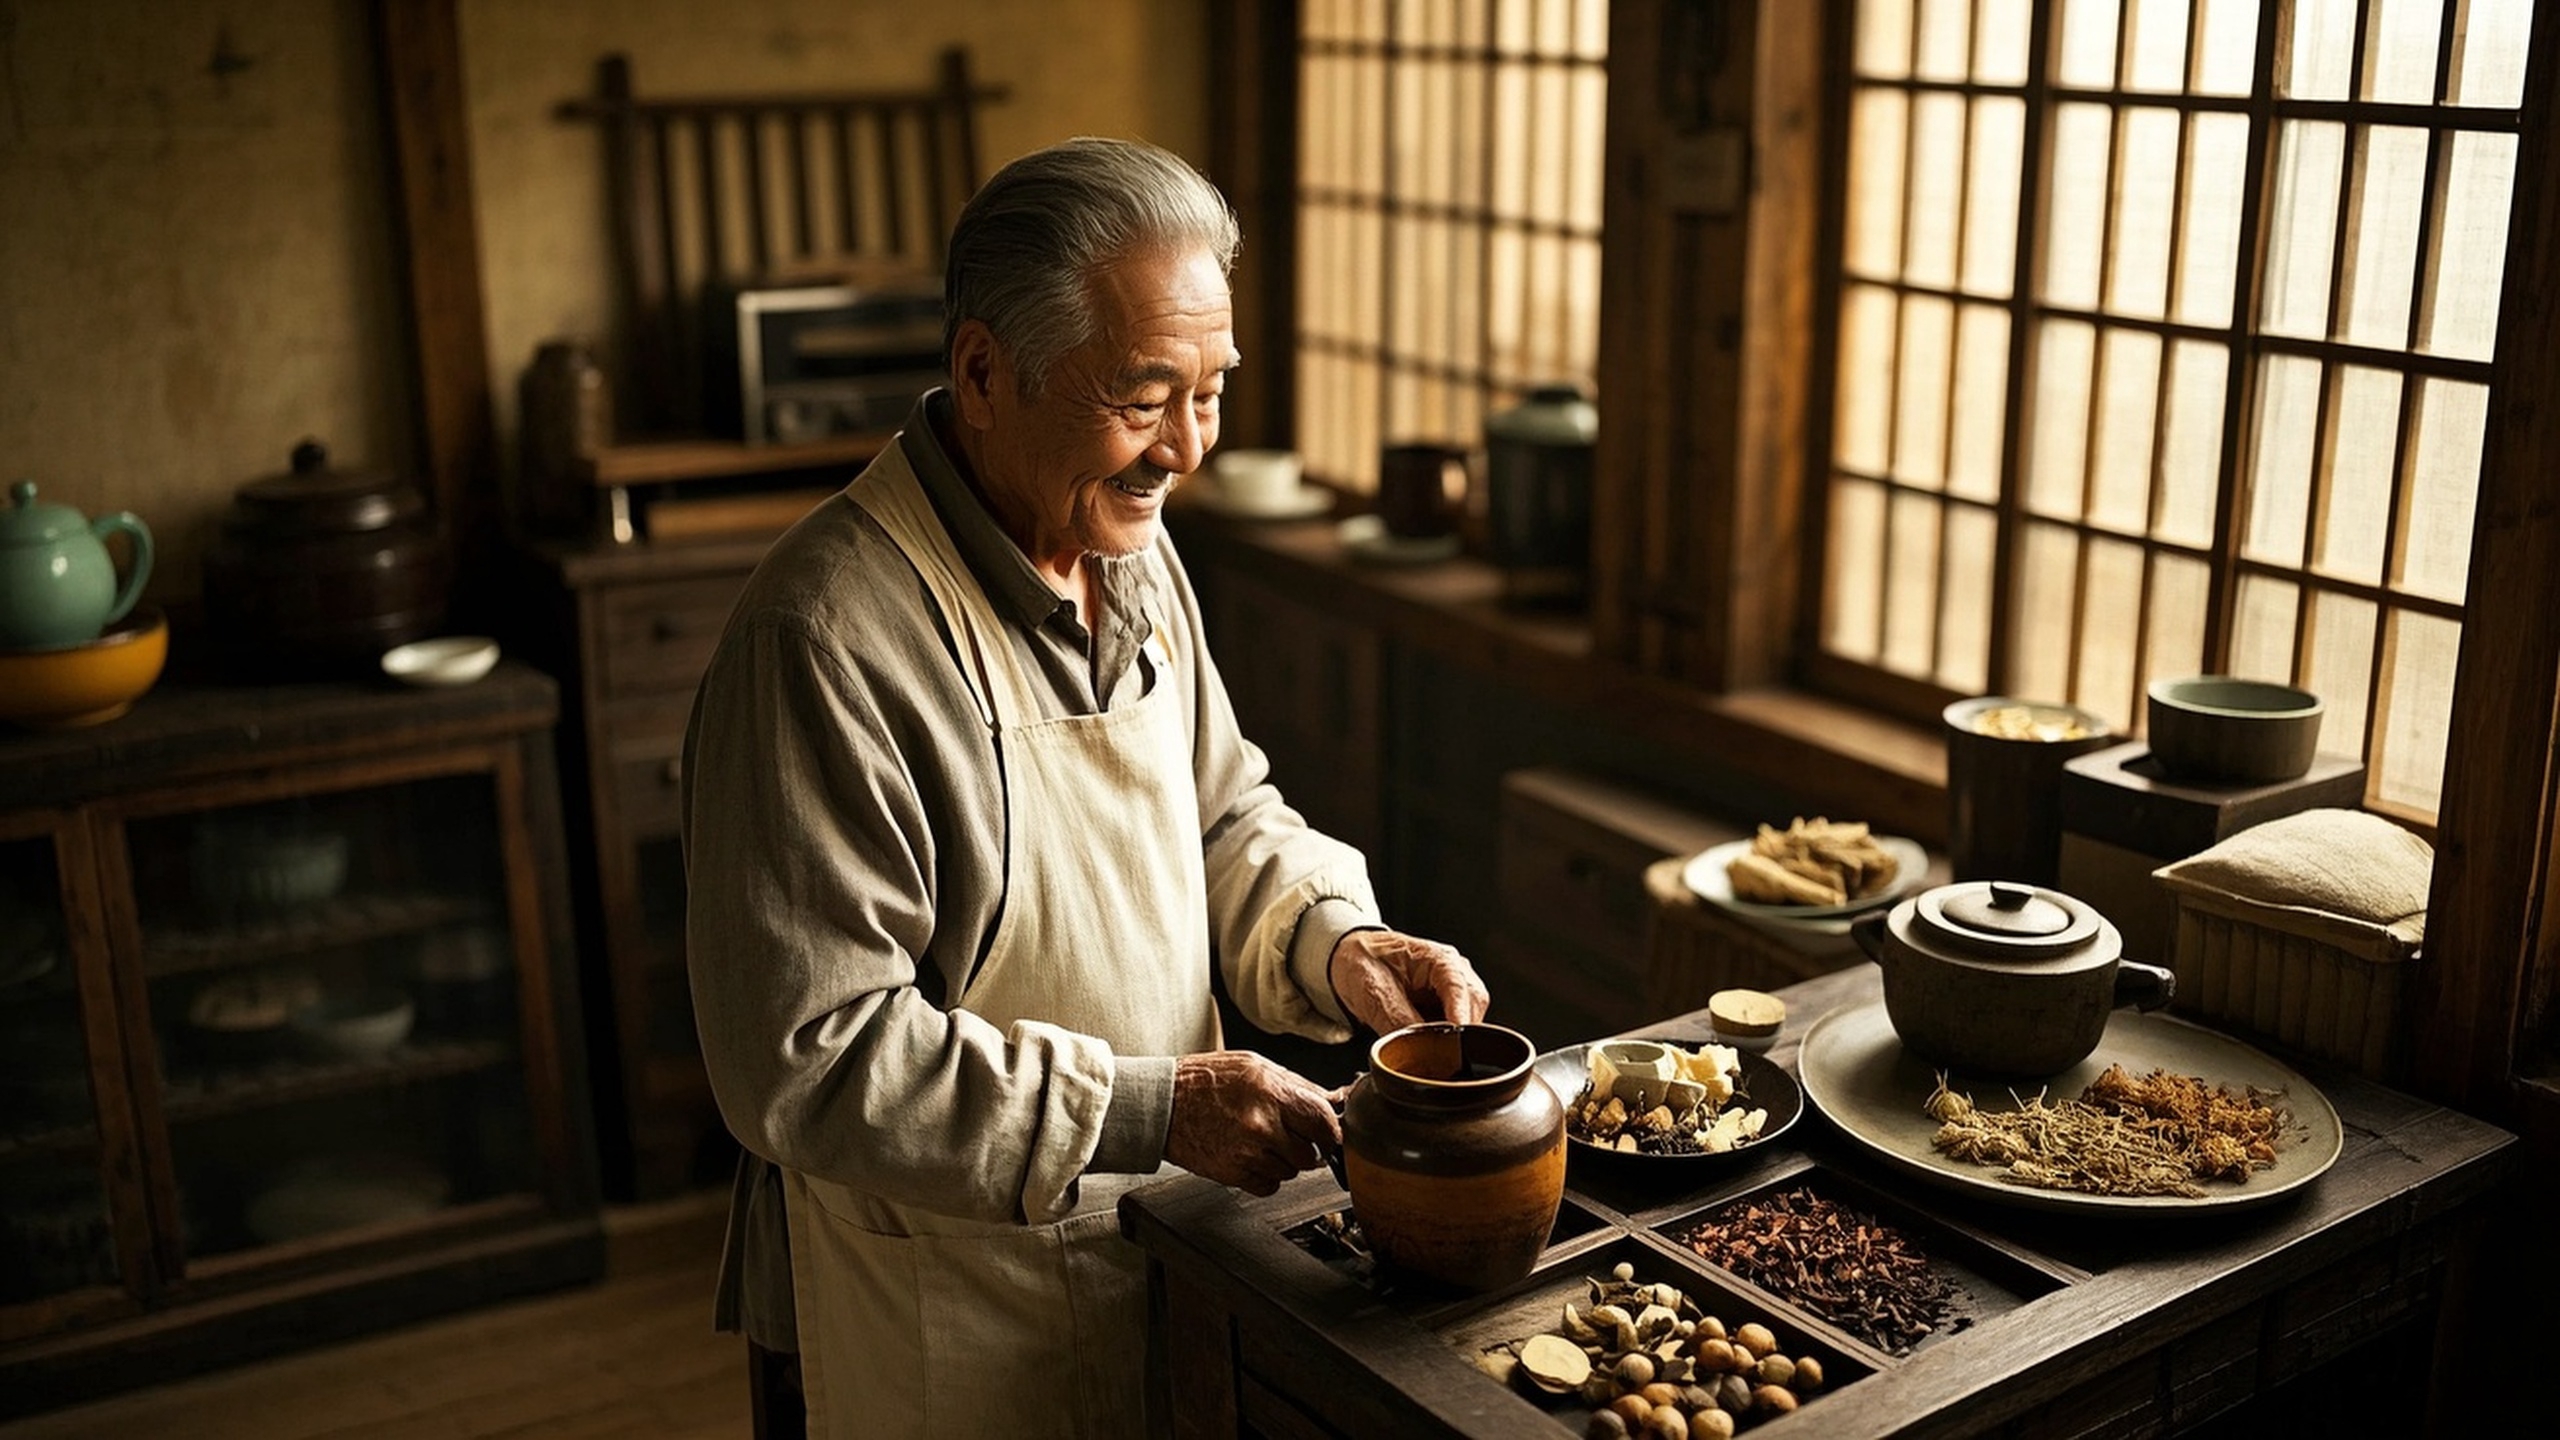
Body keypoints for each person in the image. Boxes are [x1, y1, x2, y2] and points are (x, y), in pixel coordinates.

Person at [680, 135, 1493, 1439]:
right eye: (1140, 396)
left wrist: (1340, 944)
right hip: (946, 1292)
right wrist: (1158, 1106)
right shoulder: (826, 638)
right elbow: (809, 1057)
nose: (1186, 448)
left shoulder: (1131, 551)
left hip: (1164, 1234)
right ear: (985, 371)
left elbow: (1224, 816)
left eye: (1212, 392)